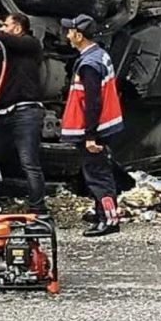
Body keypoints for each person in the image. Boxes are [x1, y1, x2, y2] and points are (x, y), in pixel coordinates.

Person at [61, 14, 125, 237]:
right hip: (106, 125)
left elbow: (92, 103)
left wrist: (90, 136)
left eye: (70, 31)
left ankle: (109, 219)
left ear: (79, 35)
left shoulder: (89, 64)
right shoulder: (100, 54)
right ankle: (102, 212)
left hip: (95, 128)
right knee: (98, 171)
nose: (67, 35)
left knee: (98, 176)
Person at [0, 13, 48, 217]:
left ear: (18, 28)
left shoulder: (30, 44)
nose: (3, 29)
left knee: (29, 161)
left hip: (26, 111)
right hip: (2, 113)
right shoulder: (3, 52)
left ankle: (38, 208)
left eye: (6, 25)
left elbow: (5, 38)